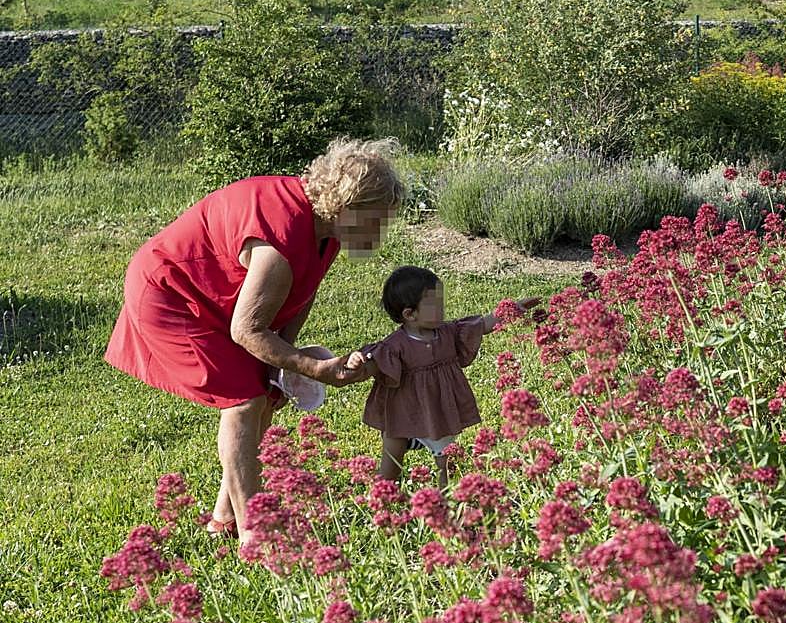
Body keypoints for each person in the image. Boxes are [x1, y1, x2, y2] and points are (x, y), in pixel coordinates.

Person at [104, 138, 406, 543]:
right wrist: (313, 368)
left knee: (263, 394)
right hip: (172, 295)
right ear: (346, 207)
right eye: (375, 220)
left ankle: (224, 520)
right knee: (244, 402)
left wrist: (280, 366)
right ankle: (255, 533)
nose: (379, 234)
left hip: (218, 299)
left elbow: (302, 291)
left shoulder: (327, 230)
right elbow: (246, 330)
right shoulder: (280, 239)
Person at [346, 265, 539, 487]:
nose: (442, 309)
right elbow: (374, 364)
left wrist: (510, 310)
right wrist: (358, 361)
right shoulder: (394, 345)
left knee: (446, 461)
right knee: (391, 465)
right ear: (409, 314)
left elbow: (482, 325)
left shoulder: (448, 332)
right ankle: (382, 496)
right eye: (435, 305)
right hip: (401, 416)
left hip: (437, 414)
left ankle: (445, 497)